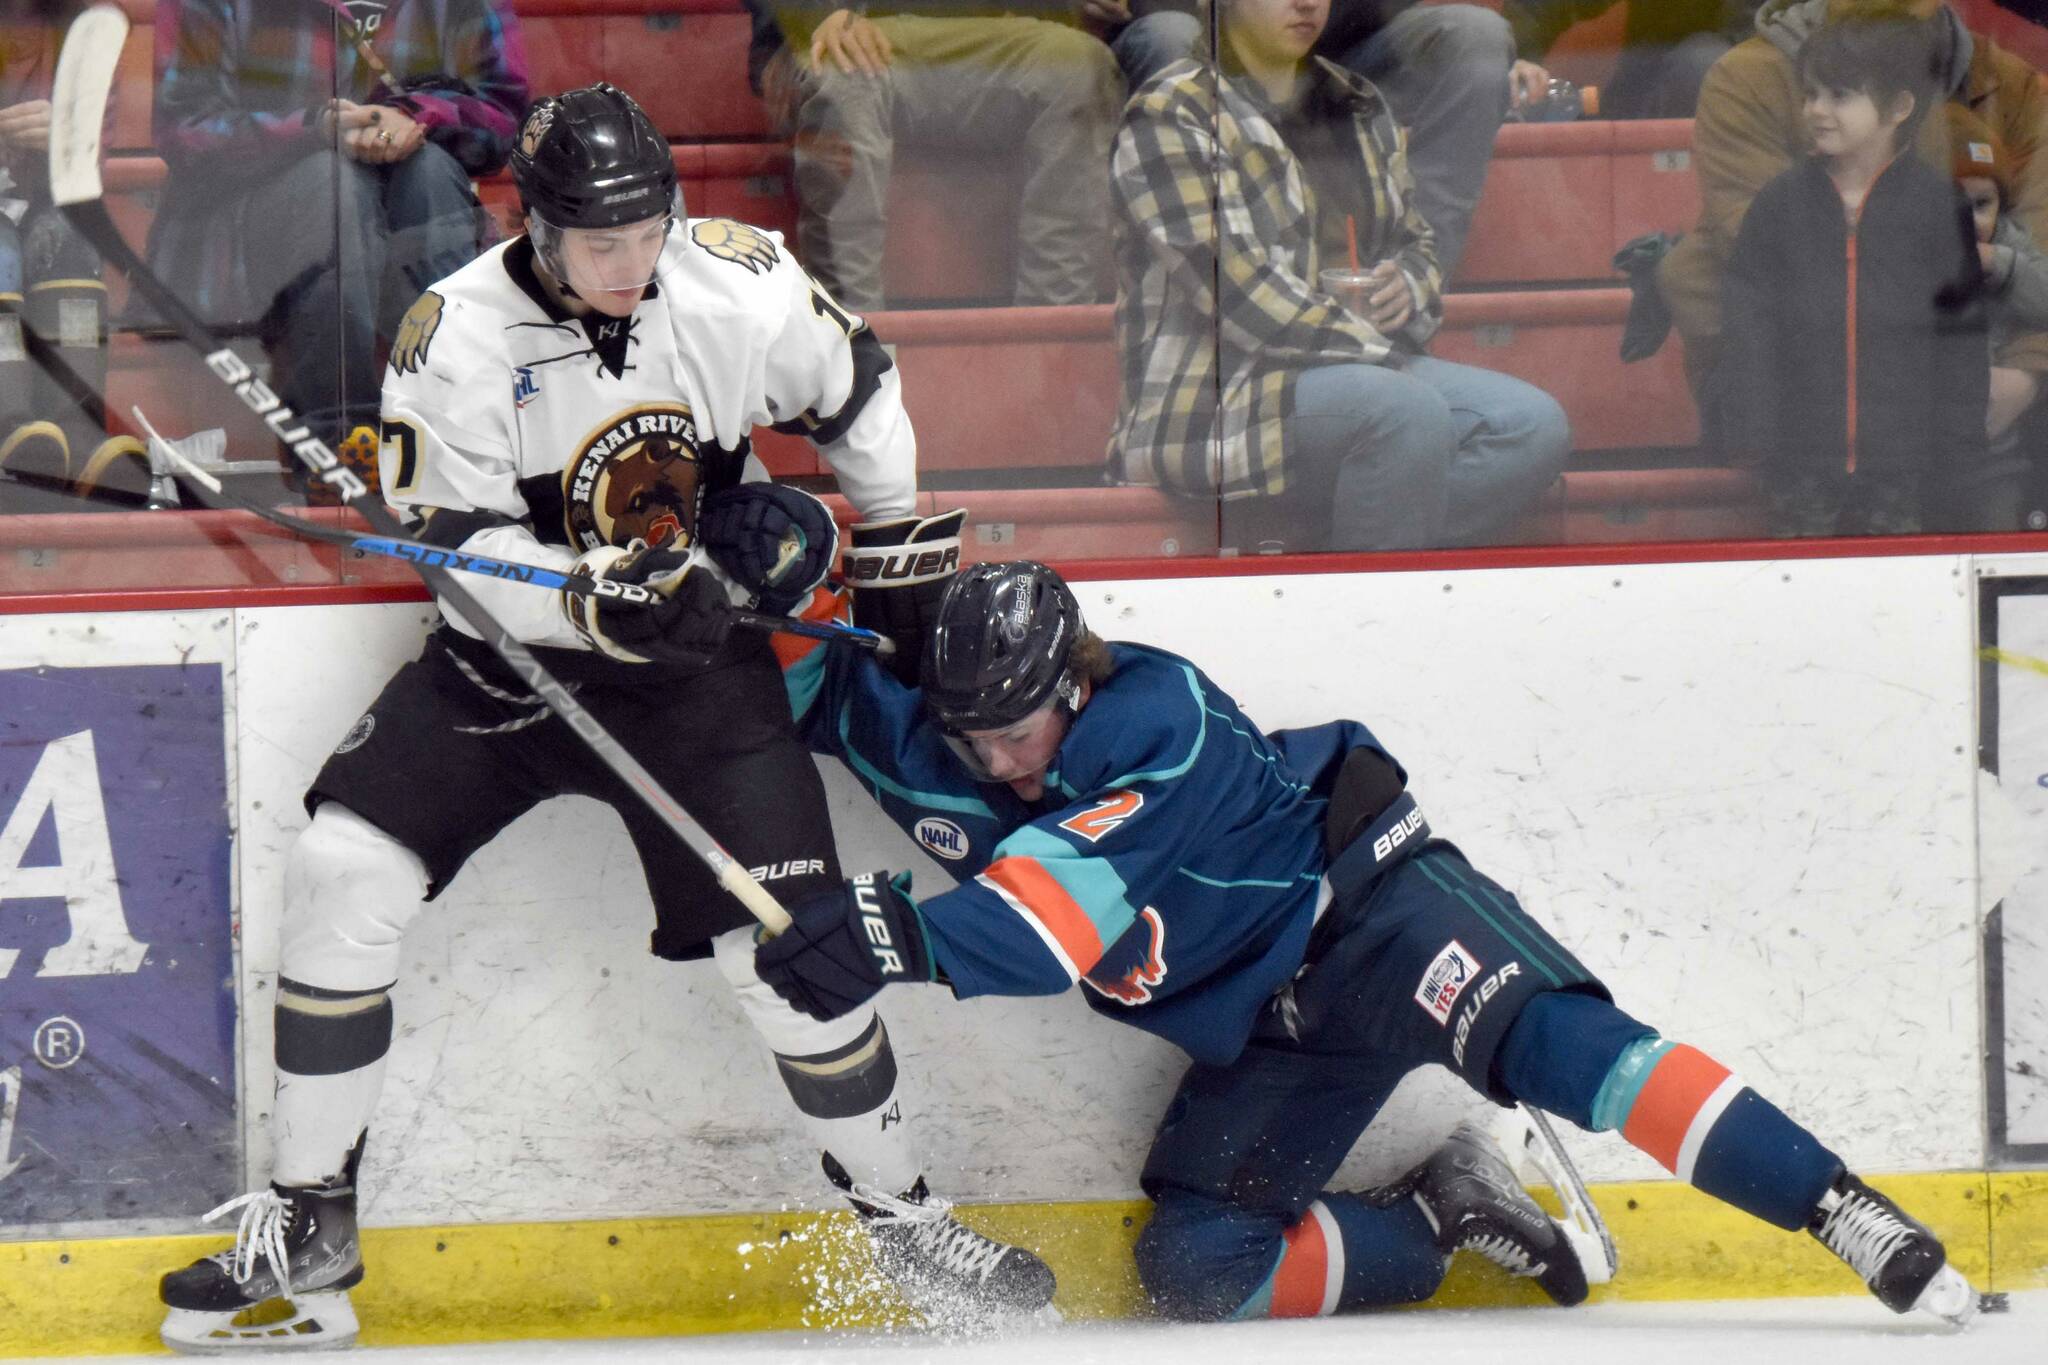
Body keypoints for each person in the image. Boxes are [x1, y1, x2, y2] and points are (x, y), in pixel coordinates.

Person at [152, 84, 1051, 1353]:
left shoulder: (734, 278)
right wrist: (592, 601)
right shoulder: (449, 333)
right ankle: (309, 1228)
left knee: (790, 951)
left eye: (647, 237)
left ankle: (904, 1227)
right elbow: (459, 555)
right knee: (342, 867)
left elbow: (856, 383)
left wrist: (879, 533)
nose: (631, 268)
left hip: (699, 674)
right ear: (537, 231)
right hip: (505, 675)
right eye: (599, 247)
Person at [749, 557, 1986, 1326]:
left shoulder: (1154, 712)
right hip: (1273, 1029)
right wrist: (780, 569)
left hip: (1376, 921)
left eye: (1018, 728)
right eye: (972, 739)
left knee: (1570, 1050)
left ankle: (1841, 1212)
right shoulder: (950, 746)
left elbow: (1049, 922)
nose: (999, 762)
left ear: (1071, 682)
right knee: (1195, 1275)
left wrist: (880, 931)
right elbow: (811, 691)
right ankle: (1445, 1212)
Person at [1107, 0, 1569, 553]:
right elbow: (1243, 298)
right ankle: (1375, 603)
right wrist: (1374, 344)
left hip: (1352, 368)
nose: (1307, 3)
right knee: (1403, 410)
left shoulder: (1356, 101)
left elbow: (1415, 238)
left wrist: (1409, 280)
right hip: (1219, 398)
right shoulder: (1171, 112)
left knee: (1530, 425)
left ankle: (1346, 540)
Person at [147, 0, 527, 501]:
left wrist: (412, 117)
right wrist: (313, 128)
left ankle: (456, 436)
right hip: (246, 240)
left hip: (407, 212)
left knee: (428, 171)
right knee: (332, 184)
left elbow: (505, 117)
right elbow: (184, 129)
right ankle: (339, 444)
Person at [1660, 0, 2048, 455]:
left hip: (1982, 365)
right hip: (1796, 378)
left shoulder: (2014, 86)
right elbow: (1767, 254)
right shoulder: (1748, 78)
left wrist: (2026, 372)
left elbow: (2041, 244)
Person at [1719, 13, 1987, 536]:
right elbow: (1749, 322)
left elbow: (1962, 338)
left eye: (1839, 95)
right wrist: (1756, 432)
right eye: (1810, 94)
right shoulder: (1779, 204)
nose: (1816, 110)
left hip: (1907, 467)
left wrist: (1957, 447)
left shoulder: (1936, 206)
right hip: (1798, 464)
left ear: (1899, 108)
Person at [742, 0, 1121, 311]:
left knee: (1079, 68)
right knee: (847, 75)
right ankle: (851, 334)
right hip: (838, 27)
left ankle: (1053, 334)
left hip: (990, 34)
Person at [0, 0, 133, 509]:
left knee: (71, 236)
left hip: (37, 209)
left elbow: (84, 174)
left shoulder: (90, 27)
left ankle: (75, 431)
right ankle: (10, 424)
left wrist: (66, 138)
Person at [1951, 101, 2048, 528]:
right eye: (1953, 204)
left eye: (1982, 204)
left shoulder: (2009, 244)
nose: (1971, 221)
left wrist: (2005, 267)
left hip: (1998, 455)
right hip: (1918, 454)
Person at [1502, 1, 1766, 120]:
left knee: (1705, 63)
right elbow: (1534, 8)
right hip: (1641, 82)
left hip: (1742, 102)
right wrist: (1521, 59)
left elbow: (1758, 45)